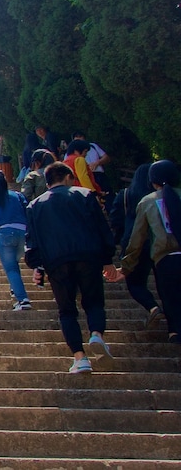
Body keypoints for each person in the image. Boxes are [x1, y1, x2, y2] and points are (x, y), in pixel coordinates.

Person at [25, 162, 117, 374]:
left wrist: (37, 266)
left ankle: (80, 357)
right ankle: (96, 334)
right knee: (93, 301)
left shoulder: (35, 205)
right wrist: (108, 258)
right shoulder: (84, 195)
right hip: (88, 256)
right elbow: (101, 227)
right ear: (67, 177)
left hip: (56, 262)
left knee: (66, 311)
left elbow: (32, 240)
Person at [117, 160, 181, 344]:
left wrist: (126, 266)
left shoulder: (147, 202)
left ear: (152, 182)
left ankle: (175, 332)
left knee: (169, 296)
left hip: (165, 259)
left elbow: (137, 239)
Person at [109, 163, 163, 329]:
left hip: (134, 244)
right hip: (160, 244)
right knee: (164, 284)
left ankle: (153, 307)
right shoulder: (160, 197)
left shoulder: (125, 195)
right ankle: (174, 328)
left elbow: (115, 220)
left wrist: (118, 241)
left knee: (135, 283)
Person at [0, 170, 32, 311]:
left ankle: (23, 299)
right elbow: (28, 211)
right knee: (14, 265)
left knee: (11, 268)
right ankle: (15, 290)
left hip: (4, 233)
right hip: (23, 232)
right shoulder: (17, 195)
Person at [74, 131, 114, 213]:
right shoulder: (71, 153)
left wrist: (97, 162)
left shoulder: (93, 146)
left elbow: (106, 157)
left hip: (99, 174)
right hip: (86, 178)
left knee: (108, 195)